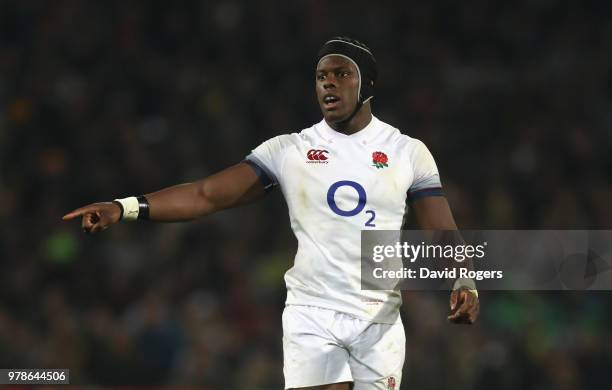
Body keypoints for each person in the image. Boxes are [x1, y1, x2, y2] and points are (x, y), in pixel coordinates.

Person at [64, 37, 479, 390]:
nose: (328, 83)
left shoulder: (407, 151)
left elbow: (441, 229)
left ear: (367, 83)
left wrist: (464, 277)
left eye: (341, 73)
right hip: (311, 311)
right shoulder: (289, 150)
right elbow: (207, 194)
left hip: (380, 317)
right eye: (321, 77)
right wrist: (126, 207)